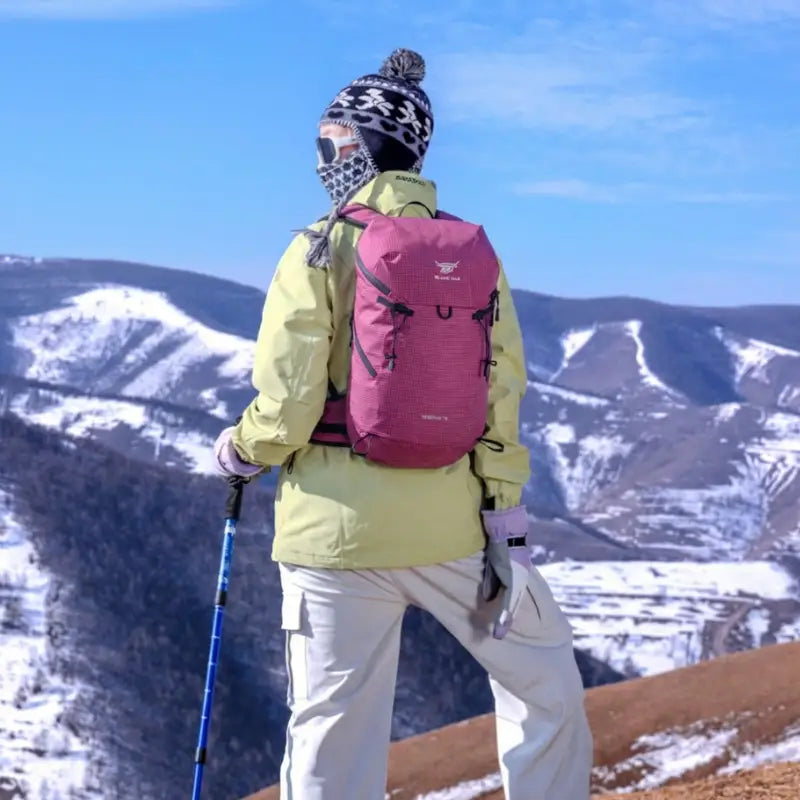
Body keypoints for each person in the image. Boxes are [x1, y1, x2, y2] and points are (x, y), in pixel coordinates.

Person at [213, 48, 592, 800]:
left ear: (351, 146)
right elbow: (499, 393)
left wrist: (239, 452)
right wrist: (503, 512)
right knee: (545, 680)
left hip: (331, 538)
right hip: (450, 528)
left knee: (331, 725)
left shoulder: (317, 246)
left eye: (328, 142)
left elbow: (286, 407)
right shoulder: (472, 254)